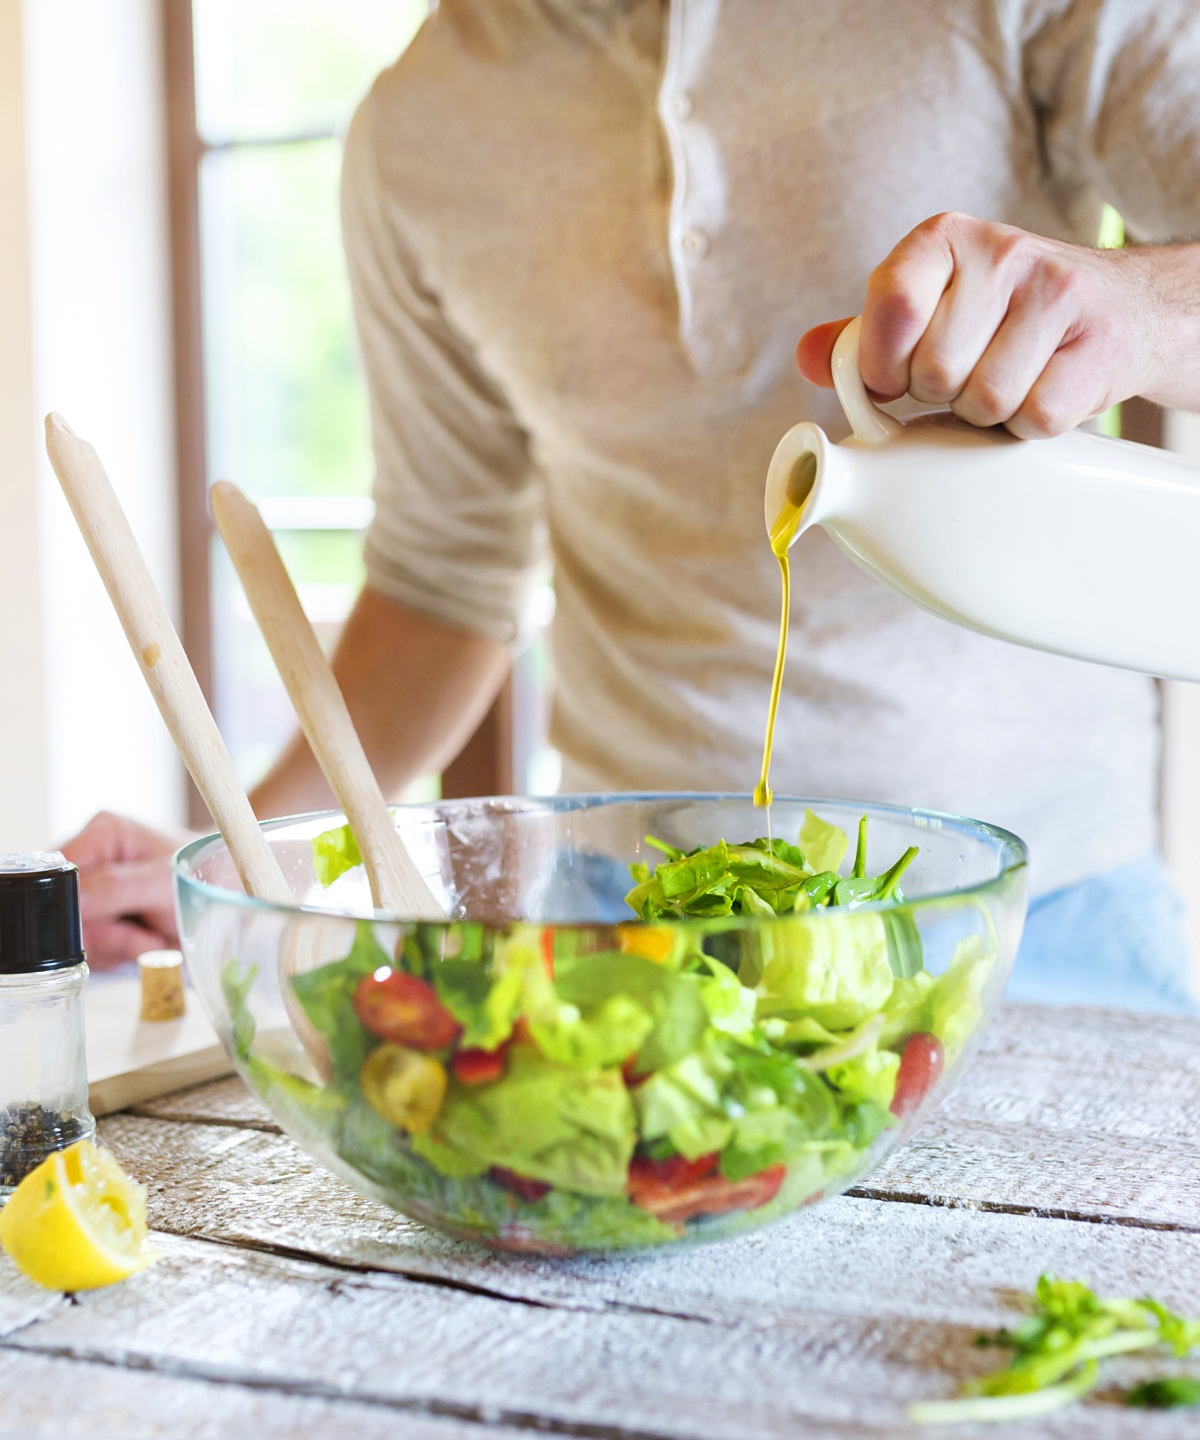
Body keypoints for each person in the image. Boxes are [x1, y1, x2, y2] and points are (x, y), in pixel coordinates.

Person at [65, 0, 1200, 1013]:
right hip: (628, 924)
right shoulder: (418, 131)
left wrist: (1140, 307)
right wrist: (243, 858)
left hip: (1043, 913)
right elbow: (441, 585)